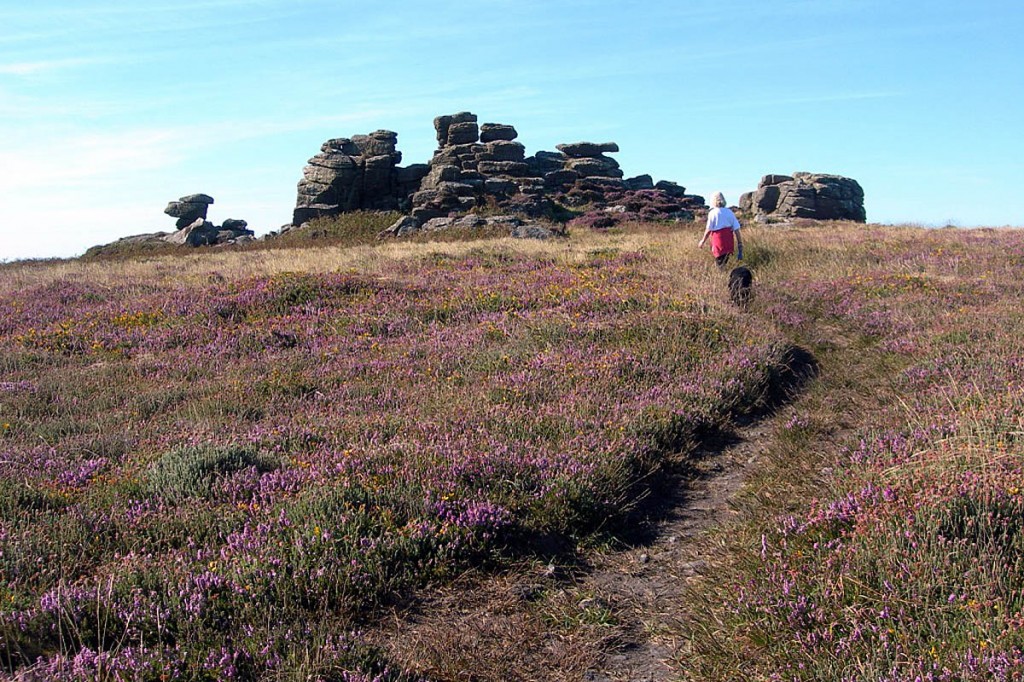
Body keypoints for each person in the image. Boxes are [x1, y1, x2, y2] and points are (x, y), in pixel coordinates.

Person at [697, 191, 743, 268]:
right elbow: (736, 229)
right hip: (728, 240)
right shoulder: (729, 212)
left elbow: (708, 229)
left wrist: (702, 241)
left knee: (719, 263)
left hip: (718, 240)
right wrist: (739, 243)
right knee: (724, 261)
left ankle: (721, 275)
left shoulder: (713, 213)